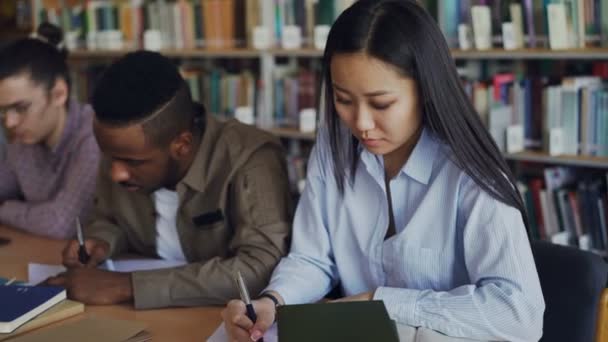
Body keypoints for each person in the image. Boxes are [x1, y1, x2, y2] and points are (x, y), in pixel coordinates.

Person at [221, 1, 545, 341]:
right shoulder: (333, 150)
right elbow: (313, 259)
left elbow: (519, 313)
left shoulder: (473, 175)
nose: (360, 123)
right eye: (343, 99)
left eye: (381, 104)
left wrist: (380, 302)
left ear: (426, 90)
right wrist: (273, 300)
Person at [47, 51, 293, 310]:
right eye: (109, 157)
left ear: (182, 145)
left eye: (133, 162)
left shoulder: (250, 158)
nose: (116, 173)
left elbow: (262, 267)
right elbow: (109, 219)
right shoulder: (122, 153)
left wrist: (127, 285)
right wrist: (100, 241)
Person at [0, 23, 100, 239]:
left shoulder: (92, 134)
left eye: (20, 108)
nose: (9, 122)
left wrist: (4, 209)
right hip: (41, 254)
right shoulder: (24, 137)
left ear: (59, 94)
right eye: (3, 110)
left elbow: (61, 224)